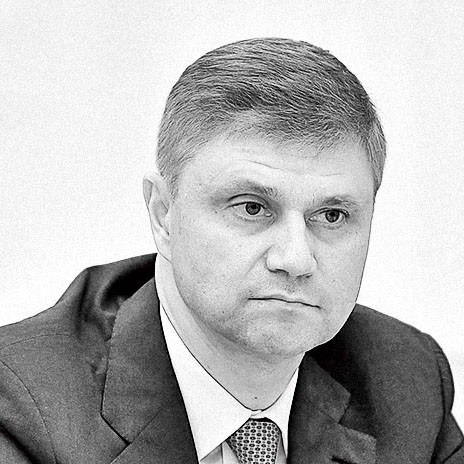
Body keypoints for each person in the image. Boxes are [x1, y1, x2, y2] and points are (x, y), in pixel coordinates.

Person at [0, 37, 462, 464]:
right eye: (252, 207)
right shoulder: (22, 408)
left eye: (332, 215)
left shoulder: (409, 384)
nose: (295, 260)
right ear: (163, 214)